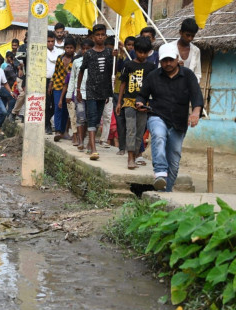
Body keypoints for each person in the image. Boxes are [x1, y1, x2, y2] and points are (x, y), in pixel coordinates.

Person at [136, 44, 203, 192]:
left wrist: (195, 113)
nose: (167, 63)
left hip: (179, 122)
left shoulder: (188, 75)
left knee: (174, 160)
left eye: (170, 60)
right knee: (158, 136)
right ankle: (159, 172)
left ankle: (166, 191)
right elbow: (142, 94)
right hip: (157, 115)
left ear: (177, 59)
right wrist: (139, 102)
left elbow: (197, 96)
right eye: (164, 60)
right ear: (160, 61)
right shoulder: (153, 76)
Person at [116, 37, 156, 170]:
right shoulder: (128, 65)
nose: (142, 55)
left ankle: (136, 153)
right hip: (128, 101)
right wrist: (119, 103)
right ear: (135, 50)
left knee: (140, 131)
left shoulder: (151, 67)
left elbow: (153, 86)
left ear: (148, 52)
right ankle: (130, 157)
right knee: (131, 129)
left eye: (145, 53)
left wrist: (151, 102)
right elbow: (123, 84)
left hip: (143, 104)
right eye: (140, 52)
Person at [77, 24, 114, 161]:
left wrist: (119, 54)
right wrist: (78, 89)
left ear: (105, 36)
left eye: (102, 34)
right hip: (91, 90)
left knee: (98, 119)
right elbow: (81, 71)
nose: (100, 37)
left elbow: (112, 71)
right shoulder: (89, 54)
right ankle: (93, 149)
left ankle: (89, 143)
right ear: (93, 37)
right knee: (92, 117)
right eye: (97, 35)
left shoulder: (110, 53)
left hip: (103, 91)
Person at [66, 39, 94, 151]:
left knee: (89, 119)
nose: (86, 51)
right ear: (81, 50)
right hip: (80, 94)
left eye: (88, 49)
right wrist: (69, 94)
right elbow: (72, 78)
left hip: (92, 94)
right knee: (80, 117)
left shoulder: (95, 61)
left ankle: (86, 139)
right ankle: (80, 141)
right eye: (84, 49)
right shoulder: (77, 62)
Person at [162, 18, 201, 82]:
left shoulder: (196, 51)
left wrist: (192, 84)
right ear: (181, 32)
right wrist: (174, 68)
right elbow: (160, 70)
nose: (190, 38)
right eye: (187, 35)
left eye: (192, 36)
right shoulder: (169, 48)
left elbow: (197, 73)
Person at [52, 36, 76, 142]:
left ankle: (63, 131)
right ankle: (57, 130)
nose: (69, 50)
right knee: (58, 107)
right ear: (64, 48)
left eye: (71, 48)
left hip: (70, 87)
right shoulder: (59, 58)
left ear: (74, 48)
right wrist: (50, 84)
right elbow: (56, 72)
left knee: (66, 110)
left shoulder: (76, 60)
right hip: (57, 85)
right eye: (67, 47)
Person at [45, 31, 58, 134]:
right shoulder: (42, 52)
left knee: (55, 104)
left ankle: (46, 121)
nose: (50, 43)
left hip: (56, 81)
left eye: (52, 41)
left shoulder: (58, 52)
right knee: (46, 103)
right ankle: (47, 125)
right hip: (45, 80)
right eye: (48, 41)